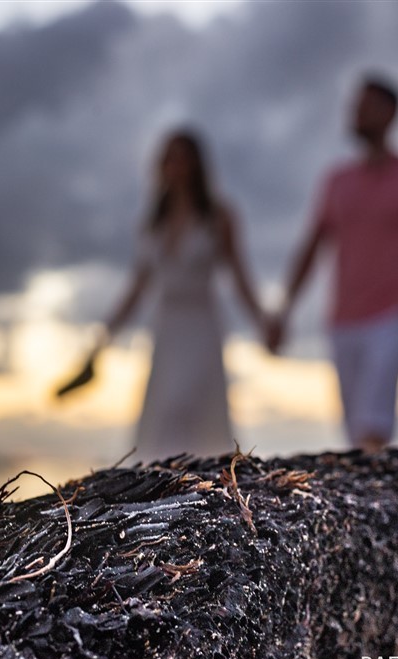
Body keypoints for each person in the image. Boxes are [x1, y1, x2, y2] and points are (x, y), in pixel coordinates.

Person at [267, 75, 398, 454]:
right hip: (342, 319)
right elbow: (311, 248)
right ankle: (374, 501)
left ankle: (374, 501)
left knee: (373, 425)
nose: (355, 114)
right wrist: (283, 310)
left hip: (392, 314)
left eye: (365, 106)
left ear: (391, 114)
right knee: (356, 433)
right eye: (354, 106)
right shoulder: (337, 181)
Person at [62, 129, 267, 461]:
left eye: (181, 156)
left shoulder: (219, 216)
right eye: (168, 157)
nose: (174, 164)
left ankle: (206, 487)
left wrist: (263, 321)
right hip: (167, 328)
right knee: (164, 414)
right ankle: (165, 491)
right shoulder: (152, 222)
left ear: (197, 164)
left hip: (201, 325)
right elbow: (137, 287)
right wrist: (103, 337)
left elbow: (240, 277)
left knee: (193, 409)